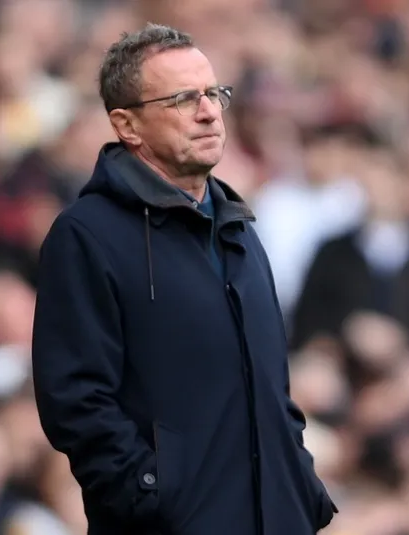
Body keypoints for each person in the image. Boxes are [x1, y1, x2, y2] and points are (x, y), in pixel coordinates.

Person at [31, 23, 338, 535]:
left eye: (214, 93)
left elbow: (271, 386)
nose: (209, 111)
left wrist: (300, 486)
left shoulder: (238, 227)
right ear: (127, 125)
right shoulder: (86, 234)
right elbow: (76, 401)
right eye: (183, 99)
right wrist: (152, 494)